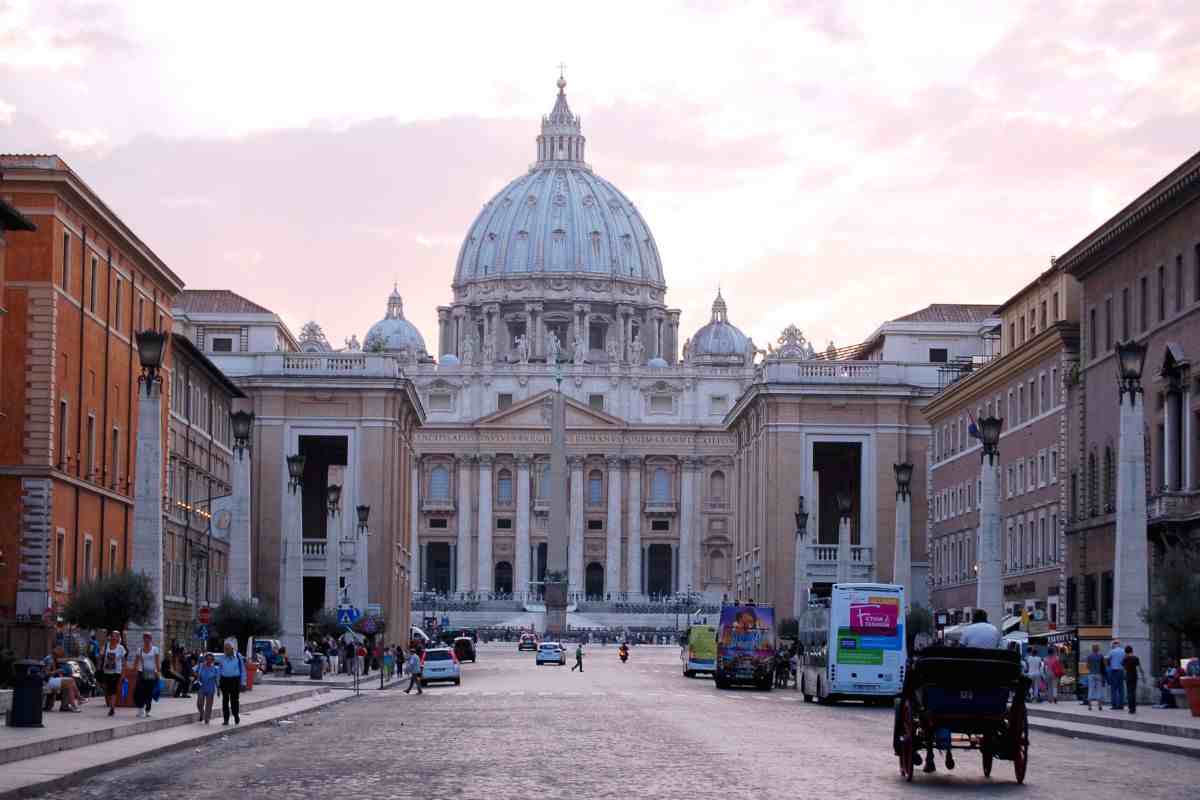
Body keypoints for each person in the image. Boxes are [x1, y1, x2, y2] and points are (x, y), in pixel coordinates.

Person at [217, 638, 246, 726]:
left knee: (234, 700)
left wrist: (242, 683)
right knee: (225, 700)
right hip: (224, 680)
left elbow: (243, 671)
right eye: (224, 649)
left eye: (227, 648)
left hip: (235, 680)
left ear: (232, 649)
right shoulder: (222, 658)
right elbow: (219, 671)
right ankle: (226, 719)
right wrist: (218, 683)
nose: (225, 650)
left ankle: (236, 715)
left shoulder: (238, 657)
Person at [98, 629, 126, 717]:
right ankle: (111, 704)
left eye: (116, 636)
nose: (114, 637)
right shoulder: (106, 646)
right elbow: (100, 656)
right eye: (113, 635)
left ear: (118, 638)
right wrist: (99, 667)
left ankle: (112, 708)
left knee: (113, 689)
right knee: (107, 688)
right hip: (106, 671)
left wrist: (123, 673)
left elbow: (124, 662)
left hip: (116, 672)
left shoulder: (121, 648)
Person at [133, 632, 161, 719]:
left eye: (148, 637)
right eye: (145, 638)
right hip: (141, 672)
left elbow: (157, 662)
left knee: (149, 692)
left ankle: (147, 709)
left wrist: (159, 673)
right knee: (140, 691)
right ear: (143, 639)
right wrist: (134, 671)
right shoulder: (139, 650)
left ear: (151, 639)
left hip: (152, 673)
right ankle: (141, 709)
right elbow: (136, 662)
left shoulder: (155, 649)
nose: (147, 639)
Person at [196, 652, 219, 724]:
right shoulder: (201, 666)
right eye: (207, 659)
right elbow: (195, 672)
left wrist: (218, 689)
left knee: (209, 705)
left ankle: (207, 718)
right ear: (205, 659)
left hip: (210, 688)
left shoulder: (215, 669)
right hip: (202, 687)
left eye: (210, 659)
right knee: (199, 703)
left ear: (212, 660)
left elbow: (217, 680)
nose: (208, 661)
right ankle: (202, 713)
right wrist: (197, 679)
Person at [1122, 645, 1146, 714]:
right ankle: (1133, 708)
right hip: (1134, 676)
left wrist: (1124, 676)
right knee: (1133, 692)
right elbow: (1139, 668)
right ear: (1132, 651)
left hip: (1128, 676)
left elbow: (1124, 669)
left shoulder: (1125, 658)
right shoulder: (1135, 658)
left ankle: (1130, 708)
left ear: (1126, 652)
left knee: (1129, 692)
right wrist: (1143, 676)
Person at [1106, 640, 1126, 710]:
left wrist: (1110, 665)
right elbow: (1125, 661)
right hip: (1121, 671)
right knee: (1121, 689)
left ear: (1114, 644)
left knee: (1113, 689)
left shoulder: (1112, 651)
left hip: (1114, 671)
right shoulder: (1123, 651)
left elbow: (1108, 660)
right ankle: (1121, 705)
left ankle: (1114, 705)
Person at [1086, 643, 1106, 711]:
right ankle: (1099, 705)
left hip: (1091, 674)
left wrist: (1091, 668)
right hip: (1099, 674)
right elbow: (1103, 666)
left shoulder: (1089, 656)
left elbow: (1087, 666)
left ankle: (1089, 705)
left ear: (1092, 649)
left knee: (1090, 689)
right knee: (1099, 690)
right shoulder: (1101, 656)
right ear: (1098, 649)